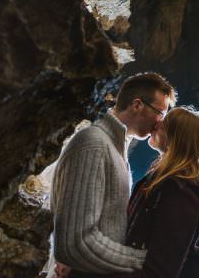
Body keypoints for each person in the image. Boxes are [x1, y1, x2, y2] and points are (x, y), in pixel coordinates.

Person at [51, 72, 176, 276]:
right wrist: (147, 260)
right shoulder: (94, 144)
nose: (160, 123)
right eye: (159, 113)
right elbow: (74, 243)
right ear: (137, 105)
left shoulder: (114, 147)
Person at [113, 106, 199, 278]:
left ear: (175, 139)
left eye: (164, 123)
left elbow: (158, 271)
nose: (156, 124)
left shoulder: (180, 196)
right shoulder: (165, 182)